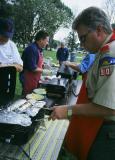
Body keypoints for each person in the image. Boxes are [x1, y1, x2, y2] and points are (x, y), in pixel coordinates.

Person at [49, 7, 115, 160]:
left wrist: (68, 110)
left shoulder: (110, 54)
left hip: (107, 134)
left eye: (83, 38)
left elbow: (109, 108)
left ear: (99, 30)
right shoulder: (102, 51)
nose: (82, 44)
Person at [20, 30, 49, 95]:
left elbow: (37, 61)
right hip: (28, 78)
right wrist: (45, 71)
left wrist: (43, 65)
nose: (47, 43)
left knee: (33, 96)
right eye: (46, 41)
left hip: (34, 77)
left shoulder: (39, 49)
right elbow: (32, 68)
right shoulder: (32, 49)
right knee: (27, 97)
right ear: (41, 40)